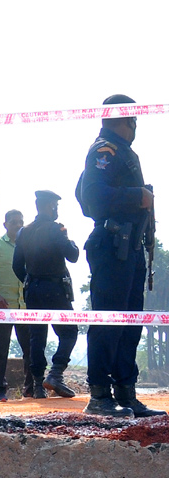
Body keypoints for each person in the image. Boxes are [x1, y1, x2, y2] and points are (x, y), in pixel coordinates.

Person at [78, 94, 162, 418]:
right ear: (122, 119)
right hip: (113, 245)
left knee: (130, 324)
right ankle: (99, 395)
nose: (135, 126)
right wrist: (136, 196)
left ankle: (126, 392)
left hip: (130, 248)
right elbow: (91, 198)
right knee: (108, 322)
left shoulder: (123, 153)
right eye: (133, 119)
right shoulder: (104, 150)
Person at [12, 190, 81, 399]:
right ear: (50, 206)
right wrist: (69, 239)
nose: (57, 209)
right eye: (56, 206)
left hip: (33, 289)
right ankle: (56, 373)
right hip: (55, 290)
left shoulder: (25, 231)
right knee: (69, 333)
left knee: (37, 337)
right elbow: (73, 255)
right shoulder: (56, 229)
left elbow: (17, 266)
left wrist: (32, 279)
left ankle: (37, 386)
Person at [0, 209, 33, 400]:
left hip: (25, 307)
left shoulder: (29, 246)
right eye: (14, 222)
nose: (18, 225)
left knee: (31, 350)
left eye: (21, 221)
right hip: (1, 308)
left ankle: (31, 388)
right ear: (5, 225)